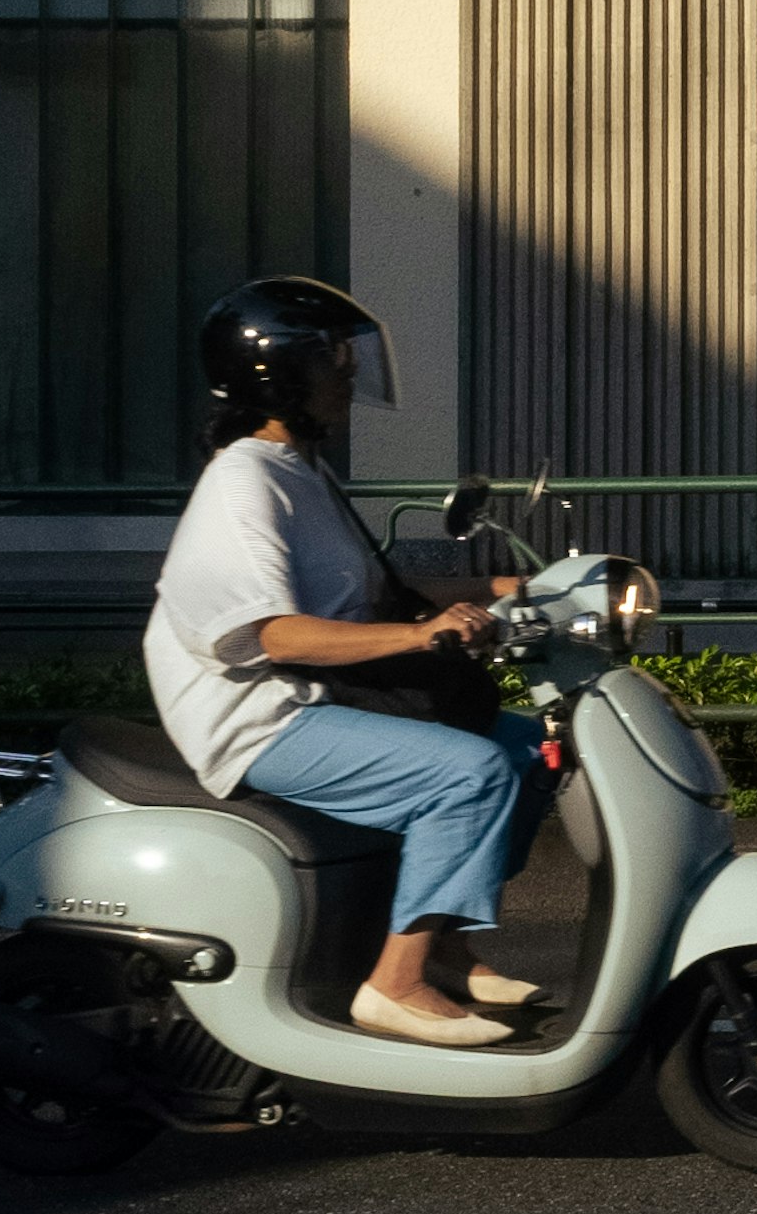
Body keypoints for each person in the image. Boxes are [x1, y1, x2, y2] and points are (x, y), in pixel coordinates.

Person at [145, 276, 550, 1050]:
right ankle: (393, 985)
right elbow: (276, 637)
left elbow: (376, 590)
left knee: (529, 748)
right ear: (278, 374)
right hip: (265, 720)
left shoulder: (300, 470)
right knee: (470, 774)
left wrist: (503, 588)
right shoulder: (244, 482)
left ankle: (447, 949)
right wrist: (420, 636)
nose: (350, 370)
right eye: (332, 356)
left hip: (326, 698)